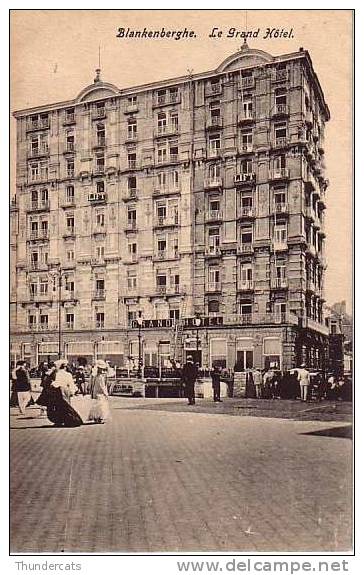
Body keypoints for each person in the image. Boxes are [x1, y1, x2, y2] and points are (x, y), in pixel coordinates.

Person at [47, 360, 82, 427]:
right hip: (66, 390)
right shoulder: (68, 374)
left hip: (59, 391)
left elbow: (57, 383)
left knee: (59, 407)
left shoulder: (58, 374)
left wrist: (52, 384)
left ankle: (59, 421)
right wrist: (73, 391)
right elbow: (71, 384)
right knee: (67, 406)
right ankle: (68, 420)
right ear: (65, 367)